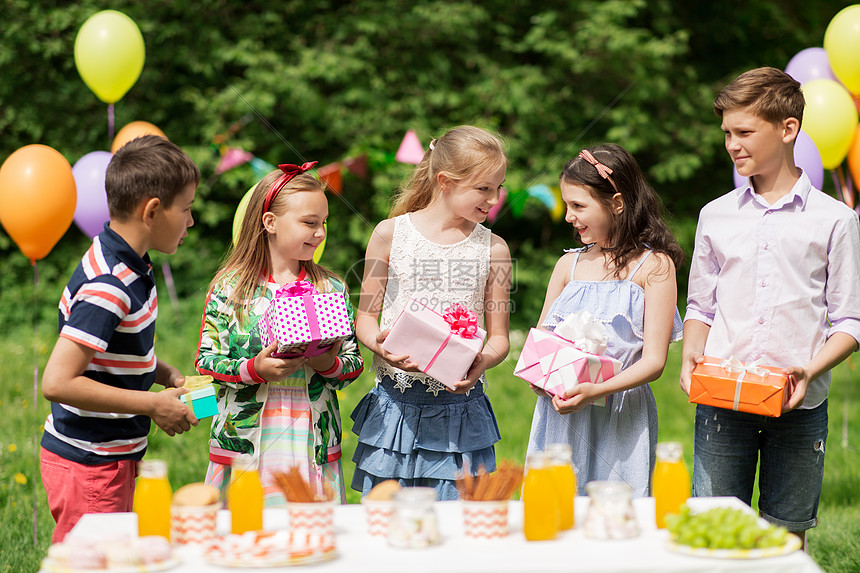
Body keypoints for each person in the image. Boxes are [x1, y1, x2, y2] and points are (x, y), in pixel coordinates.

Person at [680, 67, 860, 543]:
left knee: (786, 536)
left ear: (787, 129)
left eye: (744, 132)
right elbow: (700, 305)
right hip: (723, 399)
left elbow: (849, 321)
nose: (732, 144)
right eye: (727, 133)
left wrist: (808, 368)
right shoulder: (714, 215)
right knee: (718, 531)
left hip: (799, 406)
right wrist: (690, 353)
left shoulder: (835, 220)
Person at [40, 135, 201, 542]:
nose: (191, 221)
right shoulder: (110, 285)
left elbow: (112, 349)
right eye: (186, 209)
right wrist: (151, 405)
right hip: (90, 462)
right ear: (152, 211)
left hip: (109, 458)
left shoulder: (132, 265)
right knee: (96, 562)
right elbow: (57, 382)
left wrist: (162, 373)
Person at [351, 125, 512, 500]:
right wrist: (381, 347)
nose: (493, 199)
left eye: (498, 188)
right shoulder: (390, 235)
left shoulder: (495, 249)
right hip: (395, 410)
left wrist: (482, 362)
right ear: (445, 181)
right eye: (483, 188)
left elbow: (501, 337)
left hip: (461, 414)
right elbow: (365, 318)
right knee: (388, 524)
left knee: (458, 525)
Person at [196, 163, 363, 506]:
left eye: (323, 223)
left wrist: (328, 363)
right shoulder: (231, 289)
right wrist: (254, 369)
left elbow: (353, 363)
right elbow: (206, 361)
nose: (319, 233)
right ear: (270, 222)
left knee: (309, 530)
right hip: (245, 440)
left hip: (310, 437)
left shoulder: (329, 287)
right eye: (309, 222)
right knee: (245, 530)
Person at [526, 144, 684, 497]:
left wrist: (596, 391)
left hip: (619, 413)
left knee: (615, 513)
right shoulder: (568, 266)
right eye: (567, 205)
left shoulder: (654, 268)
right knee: (557, 511)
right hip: (563, 416)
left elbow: (655, 362)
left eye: (578, 206)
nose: (568, 216)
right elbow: (540, 348)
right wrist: (541, 380)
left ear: (617, 202)